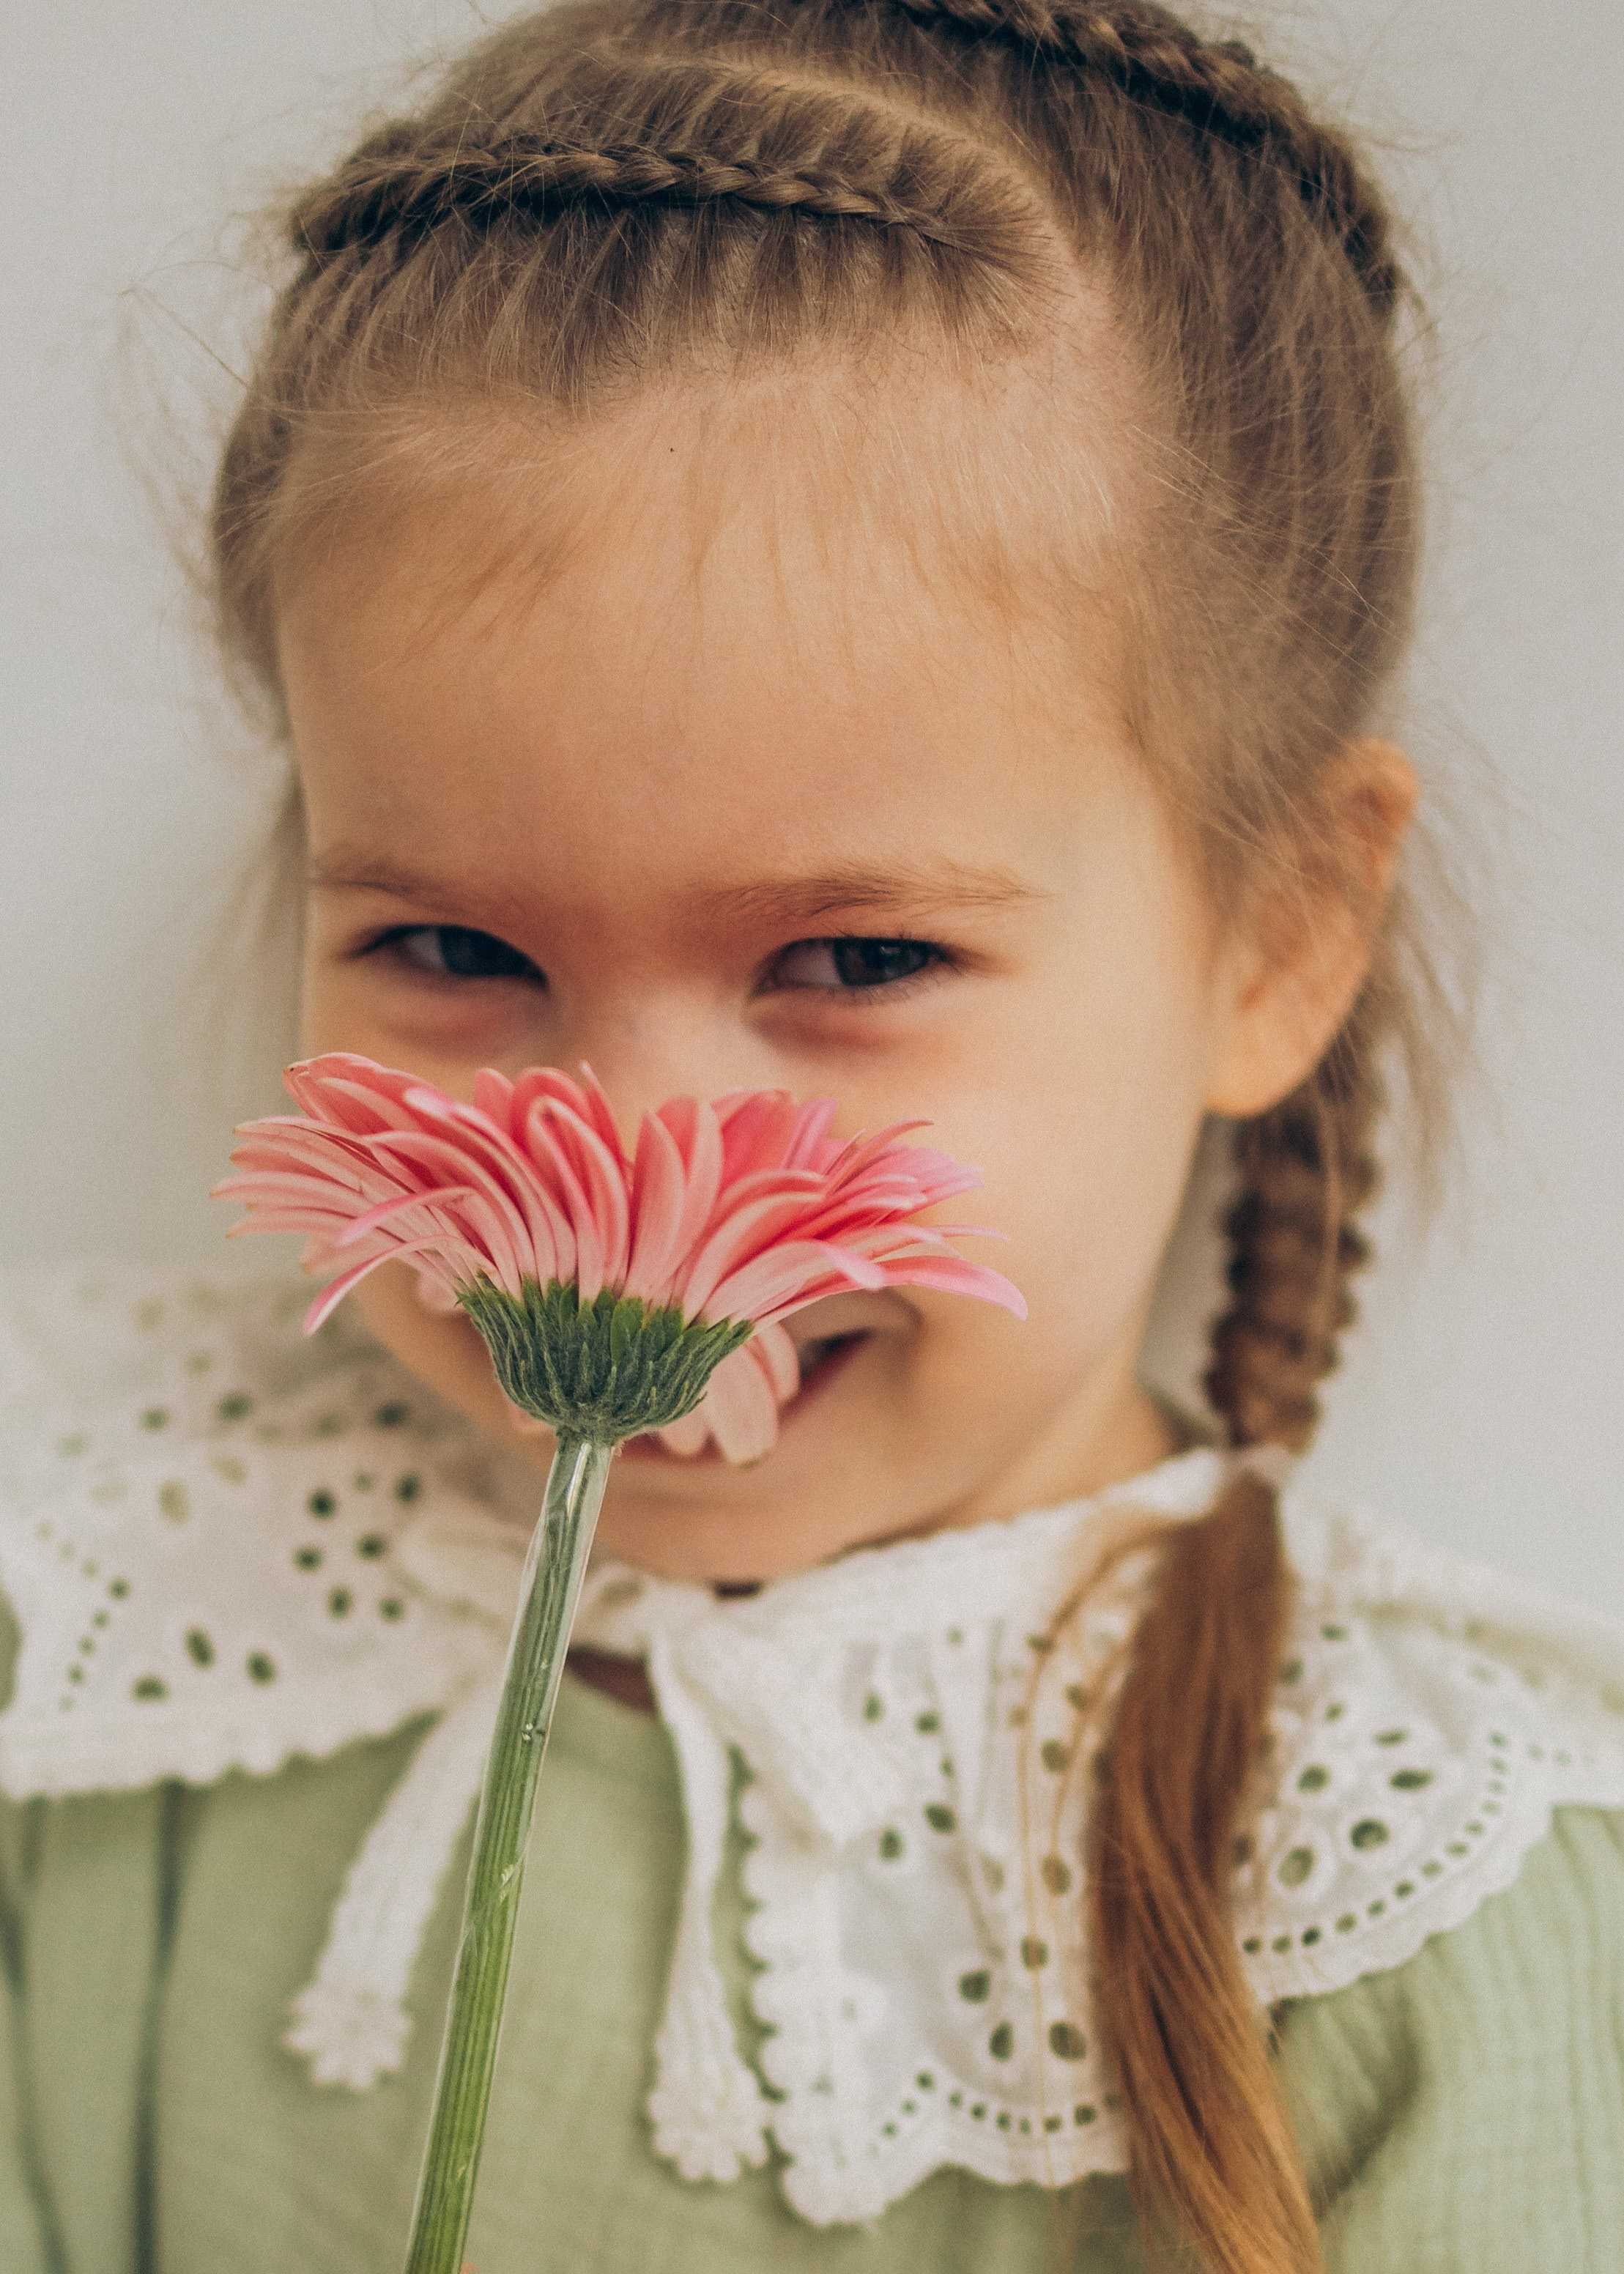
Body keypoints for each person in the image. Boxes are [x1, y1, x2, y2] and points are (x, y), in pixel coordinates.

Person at [1, 0, 1620, 2267]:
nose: (639, 1175)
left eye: (856, 965)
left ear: (1272, 934)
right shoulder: (102, 1619)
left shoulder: (1418, 1892)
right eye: (456, 949)